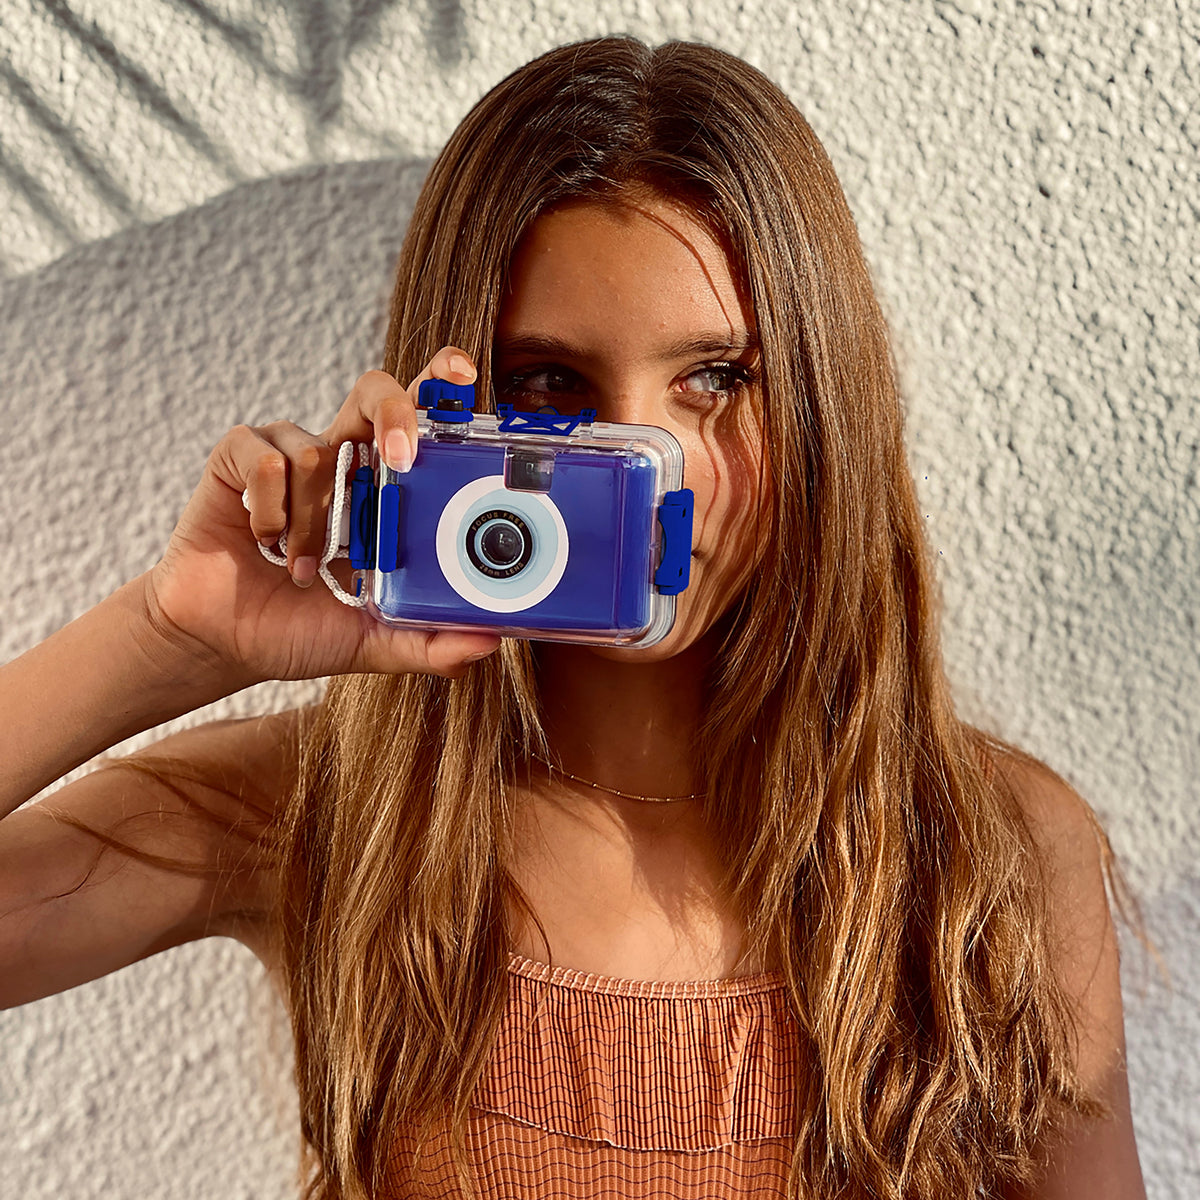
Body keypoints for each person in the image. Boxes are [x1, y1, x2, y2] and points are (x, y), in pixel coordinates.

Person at [0, 35, 1144, 1200]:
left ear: (822, 404)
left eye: (717, 378)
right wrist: (175, 634)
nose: (646, 465)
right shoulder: (322, 812)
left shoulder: (990, 850)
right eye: (550, 383)